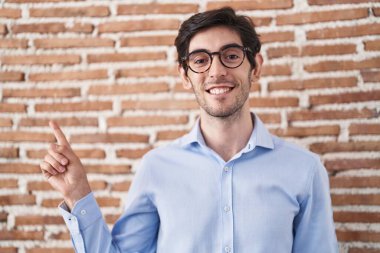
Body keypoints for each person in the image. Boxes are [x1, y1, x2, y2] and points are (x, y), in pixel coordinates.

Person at [40, 7, 338, 253]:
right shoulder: (156, 168)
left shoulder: (305, 170)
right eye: (200, 60)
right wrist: (77, 194)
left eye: (231, 56)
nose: (216, 71)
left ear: (255, 67)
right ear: (185, 75)